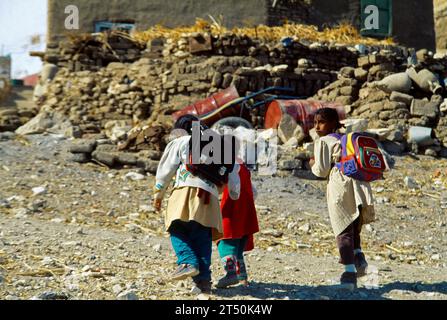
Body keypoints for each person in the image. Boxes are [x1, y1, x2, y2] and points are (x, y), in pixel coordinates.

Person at [153, 115, 240, 294]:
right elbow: (234, 185)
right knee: (202, 238)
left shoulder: (182, 141)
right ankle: (203, 282)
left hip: (185, 192)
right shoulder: (219, 148)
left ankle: (186, 261)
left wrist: (158, 193)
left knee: (177, 227)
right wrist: (230, 193)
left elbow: (165, 170)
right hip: (210, 199)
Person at [310, 108, 375, 291]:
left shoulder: (323, 141)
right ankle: (359, 256)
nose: (316, 127)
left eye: (320, 122)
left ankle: (348, 275)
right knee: (354, 224)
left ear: (332, 123)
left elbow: (321, 170)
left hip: (341, 185)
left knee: (342, 226)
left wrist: (312, 164)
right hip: (360, 184)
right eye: (315, 122)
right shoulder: (345, 139)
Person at [215, 160, 259, 289]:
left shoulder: (228, 164)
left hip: (231, 208)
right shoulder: (243, 167)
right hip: (246, 211)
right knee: (238, 246)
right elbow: (254, 192)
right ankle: (242, 277)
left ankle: (230, 273)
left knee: (225, 241)